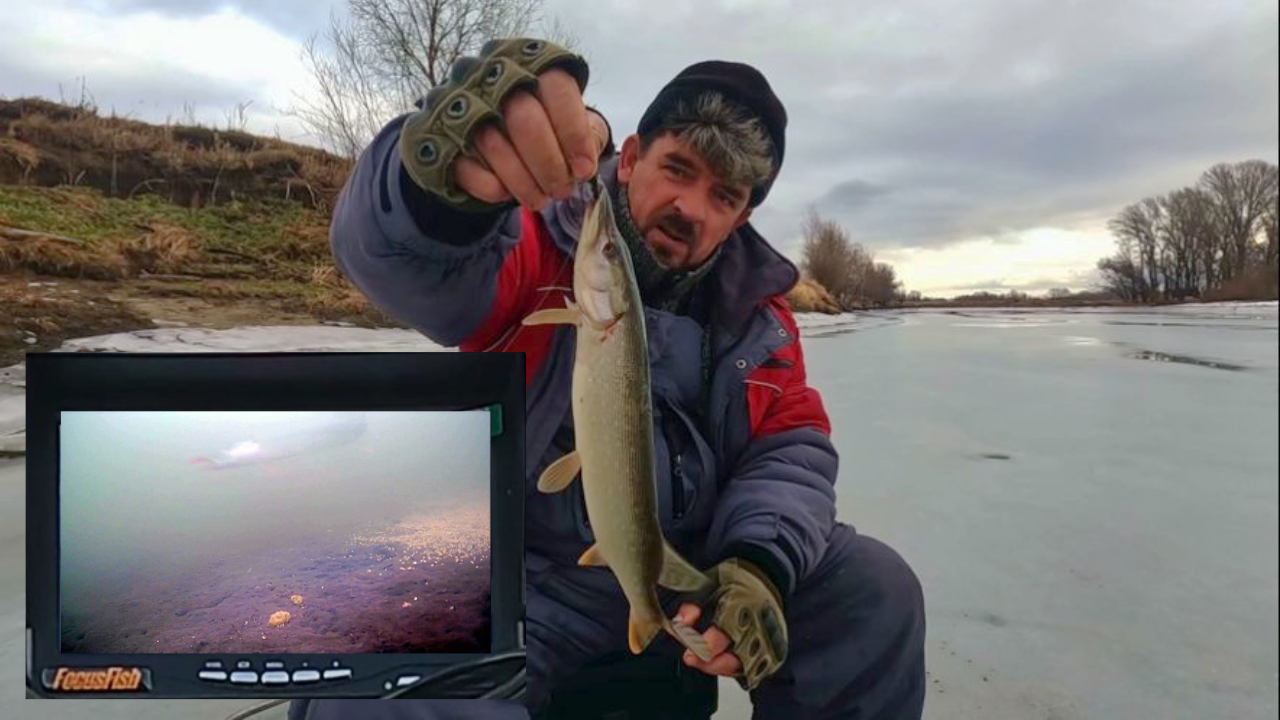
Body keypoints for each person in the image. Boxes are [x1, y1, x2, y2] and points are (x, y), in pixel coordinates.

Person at [299, 38, 926, 719]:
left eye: (723, 195)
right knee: (380, 685)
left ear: (742, 216)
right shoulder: (537, 247)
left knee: (873, 592)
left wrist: (759, 563)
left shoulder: (761, 321)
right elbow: (402, 259)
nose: (691, 207)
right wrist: (441, 191)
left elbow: (789, 449)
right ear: (629, 159)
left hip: (696, 576)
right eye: (677, 169)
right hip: (532, 584)